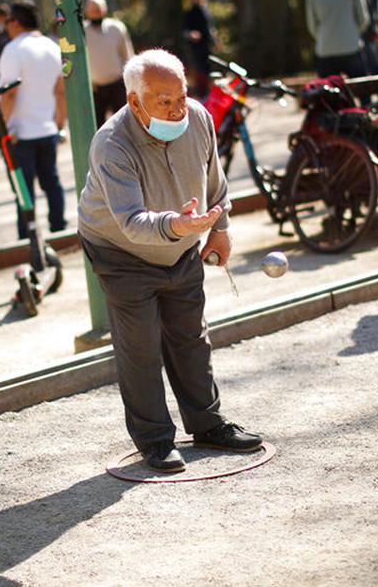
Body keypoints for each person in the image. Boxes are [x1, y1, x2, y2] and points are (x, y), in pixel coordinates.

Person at [77, 48, 262, 473]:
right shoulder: (111, 144)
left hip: (182, 238)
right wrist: (178, 226)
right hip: (120, 249)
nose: (178, 108)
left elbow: (215, 181)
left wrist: (219, 227)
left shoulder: (198, 118)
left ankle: (208, 423)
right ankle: (155, 441)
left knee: (190, 335)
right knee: (141, 343)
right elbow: (130, 222)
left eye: (181, 96)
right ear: (134, 102)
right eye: (164, 101)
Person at [0, 0, 67, 240]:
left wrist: (1, 128)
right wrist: (59, 122)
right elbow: (60, 90)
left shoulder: (13, 49)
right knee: (52, 182)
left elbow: (9, 93)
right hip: (46, 127)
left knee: (23, 191)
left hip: (19, 131)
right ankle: (59, 230)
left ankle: (28, 239)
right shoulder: (53, 47)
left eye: (7, 22)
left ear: (15, 22)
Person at [306, 0, 371, 78]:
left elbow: (312, 24)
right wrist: (353, 33)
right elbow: (363, 17)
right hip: (351, 45)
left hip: (325, 48)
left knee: (327, 93)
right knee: (363, 90)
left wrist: (322, 37)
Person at [83, 0, 135, 127]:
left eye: (98, 9)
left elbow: (127, 54)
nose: (95, 12)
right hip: (94, 88)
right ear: (86, 11)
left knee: (124, 123)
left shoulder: (117, 28)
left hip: (117, 84)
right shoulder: (81, 32)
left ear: (105, 9)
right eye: (92, 9)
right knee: (98, 125)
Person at [182, 0, 216, 99]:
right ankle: (201, 92)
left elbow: (210, 27)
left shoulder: (206, 11)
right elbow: (184, 30)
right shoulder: (190, 13)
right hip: (196, 47)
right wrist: (191, 34)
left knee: (208, 67)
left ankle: (209, 90)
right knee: (199, 68)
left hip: (207, 44)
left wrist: (216, 39)